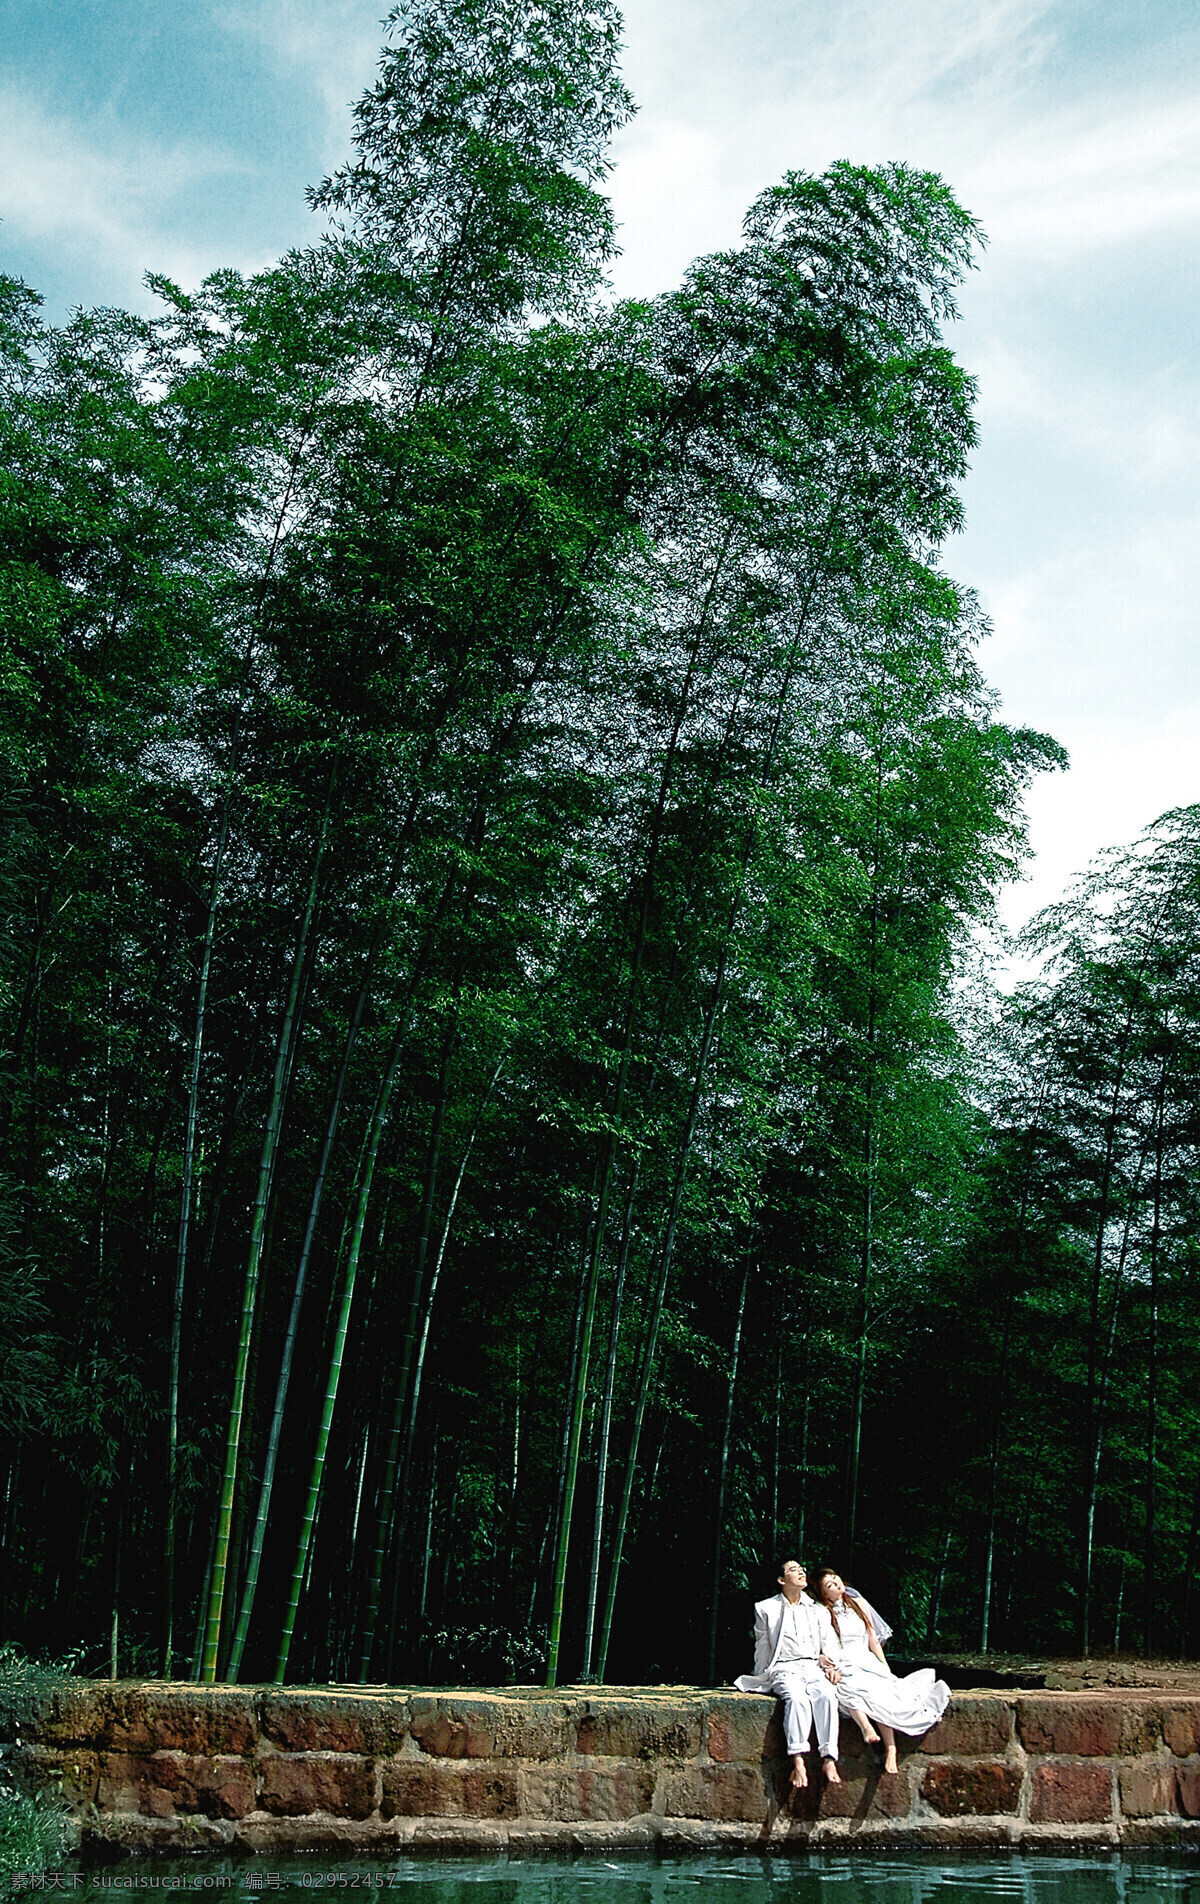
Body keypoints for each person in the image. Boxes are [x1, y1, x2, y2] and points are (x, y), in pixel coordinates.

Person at [810, 1566, 950, 1774]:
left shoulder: (858, 1604)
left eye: (835, 1577)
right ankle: (866, 1727)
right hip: (843, 1661)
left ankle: (890, 1748)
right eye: (829, 1584)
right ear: (823, 1593)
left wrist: (884, 1667)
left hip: (865, 1659)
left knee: (882, 1692)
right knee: (845, 1687)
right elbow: (820, 1643)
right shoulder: (821, 1612)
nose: (836, 1583)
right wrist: (826, 1661)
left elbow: (872, 1640)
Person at [733, 1558, 843, 1789]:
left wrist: (831, 1666)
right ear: (782, 1580)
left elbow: (830, 1642)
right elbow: (763, 1646)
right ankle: (798, 1760)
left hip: (812, 1666)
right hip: (784, 1666)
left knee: (826, 1695)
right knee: (797, 1698)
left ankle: (829, 1757)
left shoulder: (818, 1610)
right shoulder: (766, 1608)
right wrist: (762, 1674)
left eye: (801, 1568)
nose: (801, 1572)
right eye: (794, 1570)